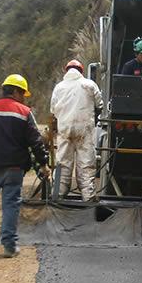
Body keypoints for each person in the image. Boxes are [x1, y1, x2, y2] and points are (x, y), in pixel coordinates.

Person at [0, 74, 48, 257]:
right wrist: (43, 163)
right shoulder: (23, 112)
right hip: (14, 167)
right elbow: (35, 141)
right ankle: (9, 245)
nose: (23, 98)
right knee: (11, 203)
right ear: (15, 91)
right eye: (22, 94)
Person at [50, 59, 104, 202]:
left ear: (66, 71)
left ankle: (59, 194)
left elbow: (53, 110)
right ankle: (88, 196)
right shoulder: (89, 84)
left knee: (63, 161)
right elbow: (100, 104)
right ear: (81, 71)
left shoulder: (59, 87)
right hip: (84, 129)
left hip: (65, 129)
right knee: (86, 162)